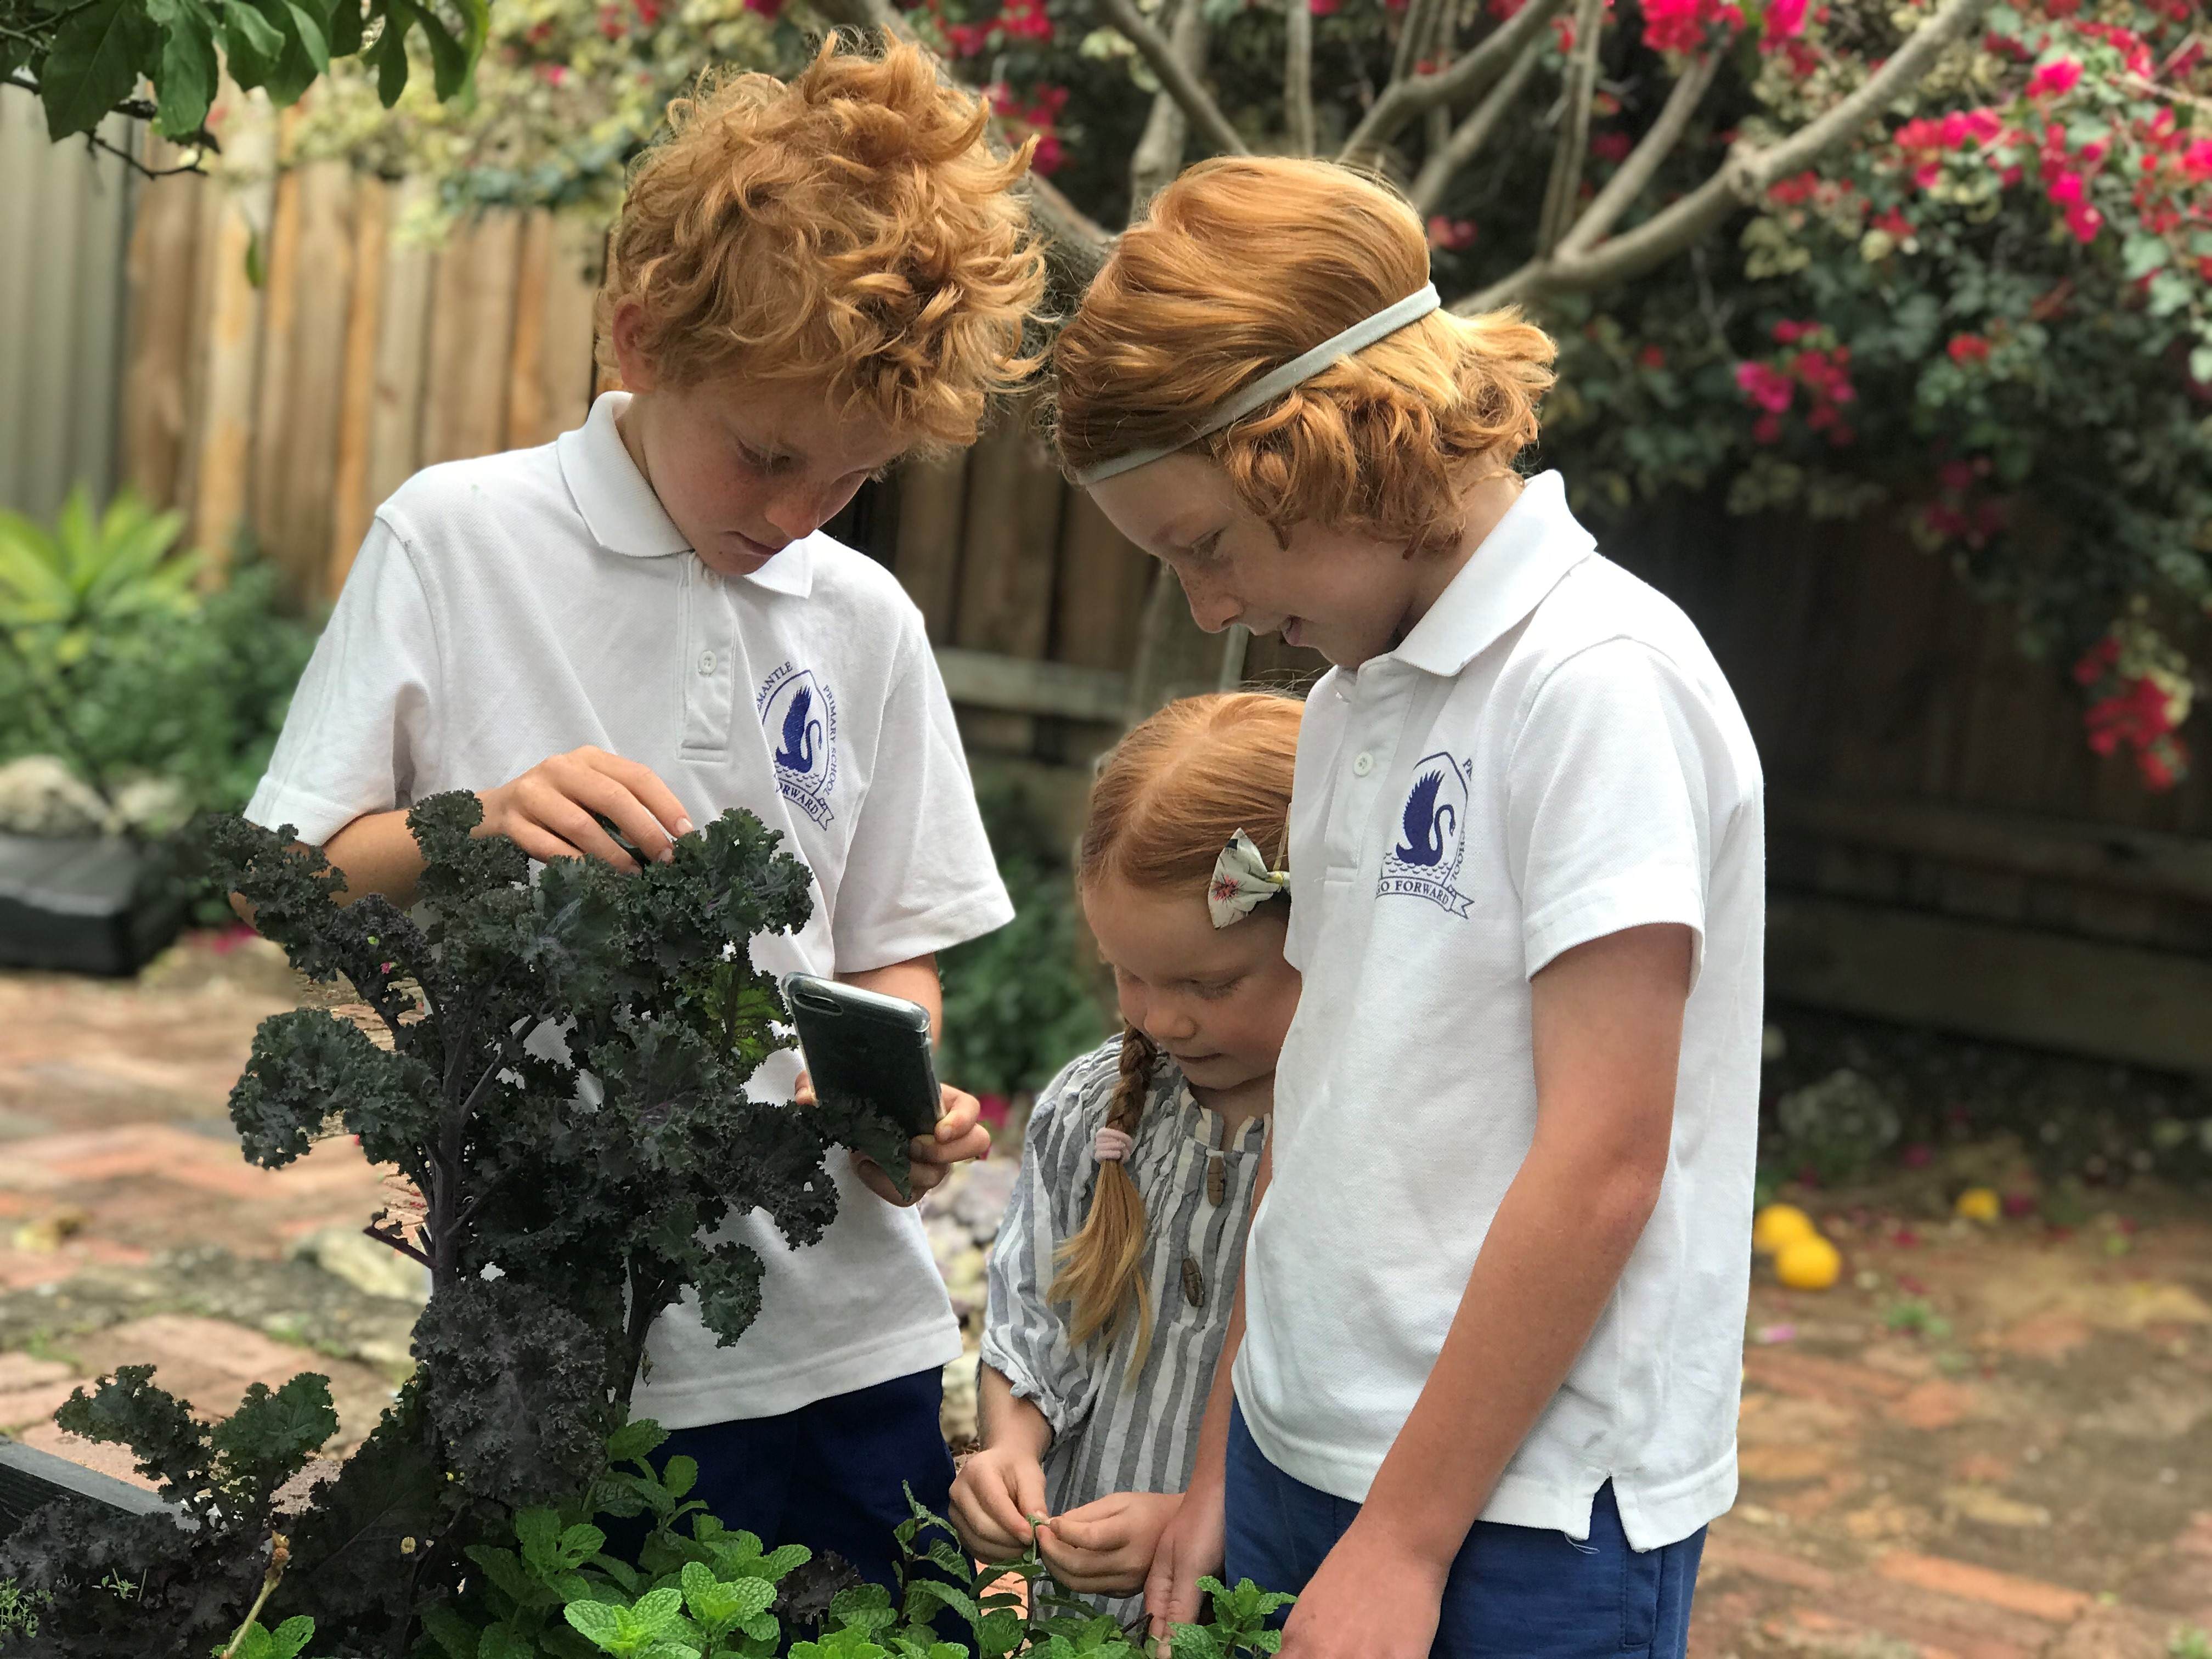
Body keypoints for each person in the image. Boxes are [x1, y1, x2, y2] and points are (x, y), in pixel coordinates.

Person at [241, 37, 1047, 1591]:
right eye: (767, 452)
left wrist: (894, 1112)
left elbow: (893, 954)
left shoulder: (865, 621)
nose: (798, 513)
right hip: (560, 1324)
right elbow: (298, 881)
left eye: (855, 477)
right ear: (641, 333)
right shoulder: (457, 539)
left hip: (842, 1332)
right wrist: (469, 825)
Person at [1049, 155, 1764, 1659]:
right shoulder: (1356, 701)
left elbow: (1606, 1158)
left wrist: (1408, 1540)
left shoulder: (1596, 686)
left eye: (1206, 546)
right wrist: (1222, 1462)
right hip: (1310, 1460)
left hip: (1516, 1516)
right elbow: (1322, 1110)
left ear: (1323, 451)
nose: (1209, 611)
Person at [950, 692, 1302, 1627]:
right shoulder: (1094, 1107)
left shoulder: (1347, 1148)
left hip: (1254, 1611)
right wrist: (1008, 1454)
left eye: (1210, 983)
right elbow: (1034, 1327)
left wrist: (1201, 1521)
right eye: (1129, 972)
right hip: (1079, 1622)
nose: (1161, 1017)